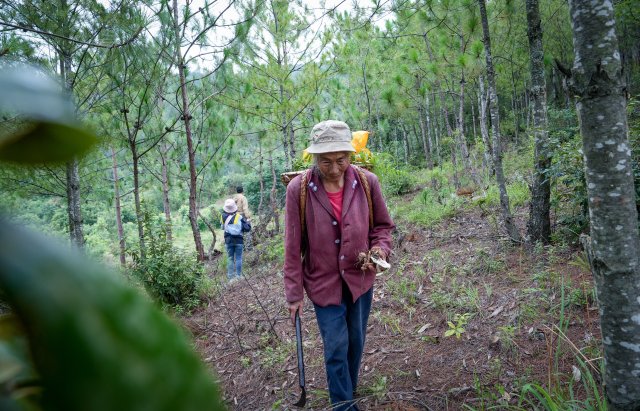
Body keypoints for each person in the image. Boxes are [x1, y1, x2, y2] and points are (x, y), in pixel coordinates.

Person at [284, 120, 395, 411]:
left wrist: (378, 249)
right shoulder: (299, 189)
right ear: (314, 157)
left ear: (350, 155)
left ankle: (349, 391)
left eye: (341, 160)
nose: (334, 169)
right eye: (325, 161)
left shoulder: (367, 182)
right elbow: (293, 246)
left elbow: (382, 226)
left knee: (355, 342)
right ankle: (344, 406)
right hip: (323, 283)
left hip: (360, 279)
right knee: (335, 347)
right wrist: (294, 293)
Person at [220, 198, 251, 281]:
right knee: (238, 258)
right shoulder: (239, 217)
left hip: (228, 240)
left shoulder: (222, 216)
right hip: (238, 240)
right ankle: (238, 276)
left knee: (230, 258)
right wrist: (248, 222)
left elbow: (222, 227)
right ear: (234, 208)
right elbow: (247, 229)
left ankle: (230, 277)